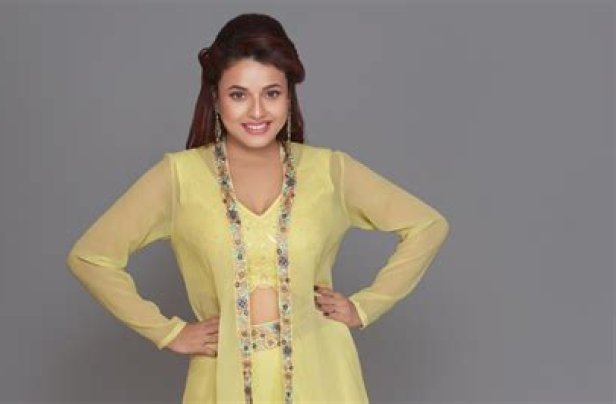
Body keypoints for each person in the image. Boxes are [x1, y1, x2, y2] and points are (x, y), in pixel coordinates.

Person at [66, 13, 450, 403]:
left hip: (323, 375)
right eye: (239, 95)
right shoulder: (179, 177)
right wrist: (169, 333)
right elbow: (91, 257)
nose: (257, 111)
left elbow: (427, 226)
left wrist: (364, 308)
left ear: (289, 97)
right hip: (223, 378)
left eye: (271, 93)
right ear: (215, 98)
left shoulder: (329, 170)